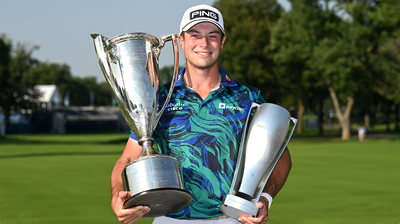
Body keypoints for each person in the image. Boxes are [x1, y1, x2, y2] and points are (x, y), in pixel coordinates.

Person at [110, 4, 292, 224]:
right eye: (195, 35)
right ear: (181, 41)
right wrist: (117, 195)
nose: (204, 43)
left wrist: (265, 197)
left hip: (231, 219)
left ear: (222, 41)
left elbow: (281, 157)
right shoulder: (158, 98)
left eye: (212, 35)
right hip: (170, 218)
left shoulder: (248, 98)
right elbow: (129, 157)